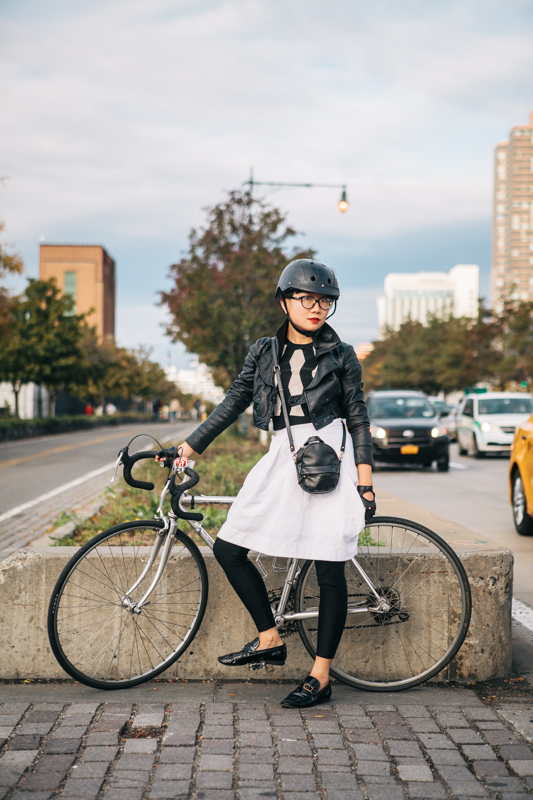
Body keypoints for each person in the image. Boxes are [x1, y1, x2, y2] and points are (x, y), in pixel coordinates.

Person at [156, 259, 375, 708]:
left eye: (325, 302)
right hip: (284, 452)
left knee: (329, 564)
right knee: (229, 547)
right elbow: (234, 399)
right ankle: (270, 637)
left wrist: (365, 484)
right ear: (284, 301)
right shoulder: (264, 352)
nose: (317, 308)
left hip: (330, 456)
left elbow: (358, 418)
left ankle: (320, 675)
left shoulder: (343, 354)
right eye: (307, 299)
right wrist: (187, 449)